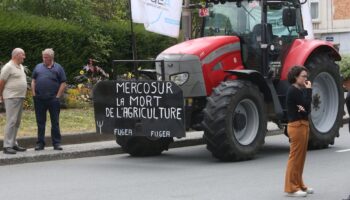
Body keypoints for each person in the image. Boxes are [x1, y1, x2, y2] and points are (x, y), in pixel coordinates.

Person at [284, 66, 313, 197]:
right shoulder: (293, 90)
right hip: (296, 126)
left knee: (301, 159)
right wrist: (309, 90)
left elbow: (306, 109)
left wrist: (304, 107)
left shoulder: (299, 90)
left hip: (303, 125)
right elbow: (306, 106)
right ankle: (291, 188)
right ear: (296, 77)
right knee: (295, 158)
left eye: (306, 76)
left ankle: (299, 184)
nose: (306, 79)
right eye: (303, 76)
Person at [31, 48, 66, 151]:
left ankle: (57, 143)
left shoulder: (58, 68)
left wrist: (57, 97)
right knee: (40, 122)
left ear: (51, 58)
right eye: (43, 57)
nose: (44, 59)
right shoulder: (38, 67)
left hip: (53, 100)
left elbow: (63, 83)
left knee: (55, 122)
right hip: (39, 99)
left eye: (46, 57)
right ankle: (40, 143)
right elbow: (33, 80)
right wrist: (34, 95)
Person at [0, 48, 27, 154]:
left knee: (17, 121)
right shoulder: (8, 67)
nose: (24, 57)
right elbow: (1, 82)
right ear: (16, 55)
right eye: (23, 55)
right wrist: (0, 95)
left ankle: (13, 143)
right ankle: (7, 146)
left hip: (20, 96)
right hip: (11, 97)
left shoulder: (20, 66)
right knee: (11, 121)